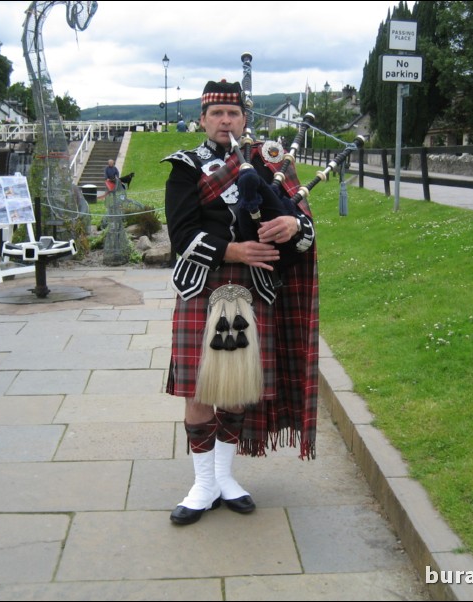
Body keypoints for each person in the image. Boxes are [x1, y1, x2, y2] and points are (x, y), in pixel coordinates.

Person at [162, 80, 319, 526]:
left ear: (245, 119)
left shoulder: (269, 165)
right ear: (203, 118)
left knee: (235, 390)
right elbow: (181, 235)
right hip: (202, 287)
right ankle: (202, 484)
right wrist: (233, 250)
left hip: (254, 289)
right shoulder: (186, 167)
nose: (225, 121)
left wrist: (291, 223)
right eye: (217, 113)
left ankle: (225, 478)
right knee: (197, 391)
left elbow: (306, 232)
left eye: (233, 113)